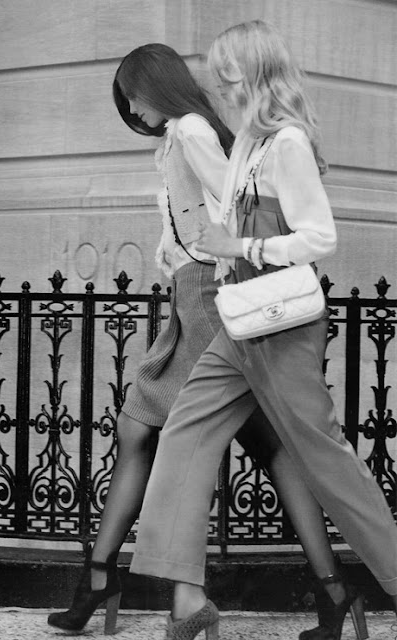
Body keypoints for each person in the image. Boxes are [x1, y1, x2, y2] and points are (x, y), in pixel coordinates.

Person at [47, 42, 348, 636]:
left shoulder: (190, 130)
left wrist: (217, 248)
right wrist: (172, 245)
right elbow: (200, 210)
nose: (132, 109)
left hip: (211, 300)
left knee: (155, 430)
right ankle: (332, 590)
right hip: (190, 298)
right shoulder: (175, 137)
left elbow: (236, 201)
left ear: (155, 86)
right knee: (249, 442)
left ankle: (113, 580)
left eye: (133, 96)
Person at [129, 22, 397, 640]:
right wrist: (199, 246)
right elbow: (225, 224)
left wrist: (242, 245)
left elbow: (320, 237)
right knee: (184, 430)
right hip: (240, 315)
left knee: (325, 460)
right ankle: (188, 600)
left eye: (226, 73)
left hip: (281, 325)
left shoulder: (288, 143)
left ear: (252, 73)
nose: (218, 86)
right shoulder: (249, 142)